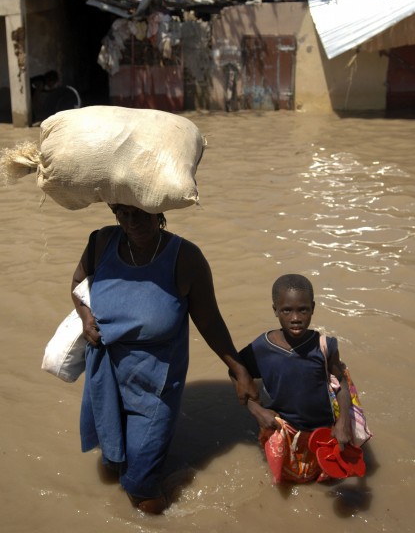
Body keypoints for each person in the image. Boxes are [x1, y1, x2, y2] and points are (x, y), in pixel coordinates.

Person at [71, 204, 259, 514]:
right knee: (111, 465)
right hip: (106, 375)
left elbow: (209, 321)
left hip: (155, 385)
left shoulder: (185, 259)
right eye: (125, 214)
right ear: (115, 212)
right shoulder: (101, 242)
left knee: (144, 491)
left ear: (159, 210)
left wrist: (239, 369)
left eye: (143, 213)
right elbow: (77, 286)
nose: (134, 223)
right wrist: (85, 316)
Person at [233, 273, 352, 483]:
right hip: (284, 431)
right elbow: (236, 372)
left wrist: (343, 422)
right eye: (287, 310)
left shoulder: (325, 347)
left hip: (323, 433)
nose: (295, 318)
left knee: (326, 480)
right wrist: (256, 409)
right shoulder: (262, 347)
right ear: (275, 310)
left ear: (313, 308)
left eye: (303, 310)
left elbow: (340, 382)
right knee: (284, 482)